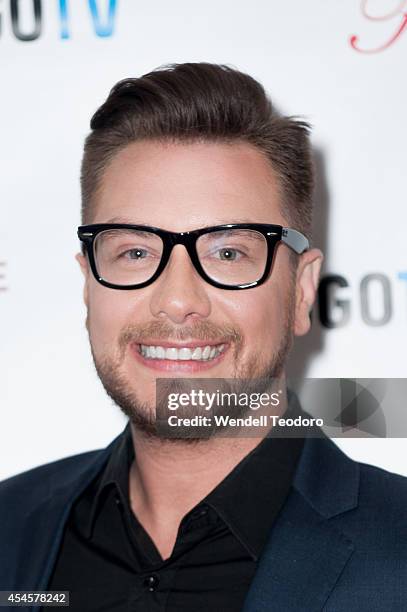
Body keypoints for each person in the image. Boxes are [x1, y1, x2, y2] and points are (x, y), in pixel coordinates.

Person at [0, 63, 406, 612]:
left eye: (229, 253)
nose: (178, 300)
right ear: (89, 285)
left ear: (302, 291)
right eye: (136, 253)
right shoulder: (11, 528)